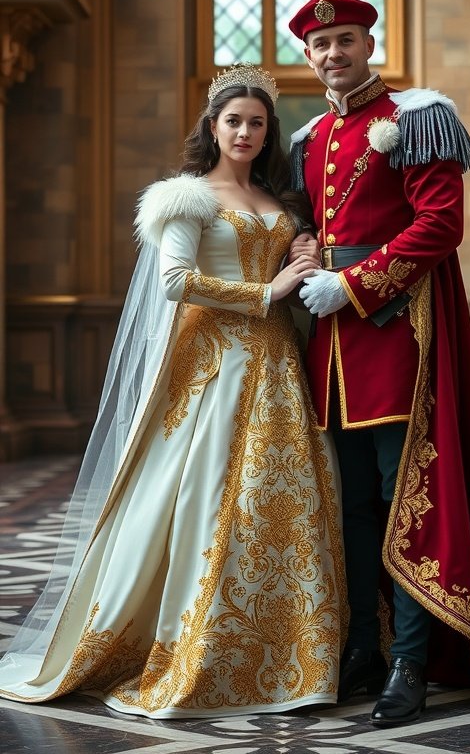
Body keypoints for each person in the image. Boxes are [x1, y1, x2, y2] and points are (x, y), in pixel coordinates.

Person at [0, 63, 346, 719]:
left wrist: (301, 261)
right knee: (209, 498)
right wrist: (262, 293)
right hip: (211, 366)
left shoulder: (281, 203)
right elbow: (172, 281)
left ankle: (289, 651)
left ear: (269, 132)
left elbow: (293, 276)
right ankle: (200, 646)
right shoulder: (185, 198)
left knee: (286, 495)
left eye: (256, 123)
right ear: (212, 127)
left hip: (275, 361)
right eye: (233, 121)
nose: (244, 131)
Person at [287, 0, 470, 727]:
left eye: (345, 39)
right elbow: (312, 224)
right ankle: (363, 649)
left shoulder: (416, 117)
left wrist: (350, 284)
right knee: (349, 505)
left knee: (403, 499)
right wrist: (305, 259)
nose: (333, 54)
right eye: (320, 46)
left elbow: (440, 225)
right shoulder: (311, 137)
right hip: (330, 351)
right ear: (308, 56)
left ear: (368, 42)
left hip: (395, 336)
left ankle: (412, 662)